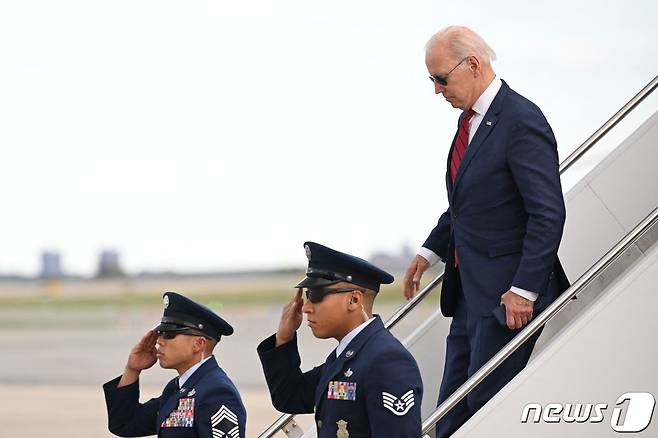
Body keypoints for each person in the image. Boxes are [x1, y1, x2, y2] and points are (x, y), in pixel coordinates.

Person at [402, 26, 570, 436]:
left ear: (473, 64)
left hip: (505, 301)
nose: (437, 91)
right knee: (450, 413)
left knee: (484, 411)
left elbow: (548, 213)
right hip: (469, 295)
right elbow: (466, 205)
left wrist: (525, 290)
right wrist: (429, 252)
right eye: (432, 81)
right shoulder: (471, 123)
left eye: (441, 79)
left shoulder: (520, 120)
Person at [258, 241, 423, 438]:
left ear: (354, 300)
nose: (305, 307)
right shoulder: (349, 355)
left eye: (316, 295)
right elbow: (290, 396)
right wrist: (284, 338)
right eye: (308, 296)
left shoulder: (386, 360)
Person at [103, 292, 246, 438]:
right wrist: (132, 370)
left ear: (198, 344)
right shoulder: (177, 388)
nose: (160, 341)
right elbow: (124, 424)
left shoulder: (217, 392)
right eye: (161, 334)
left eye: (169, 334)